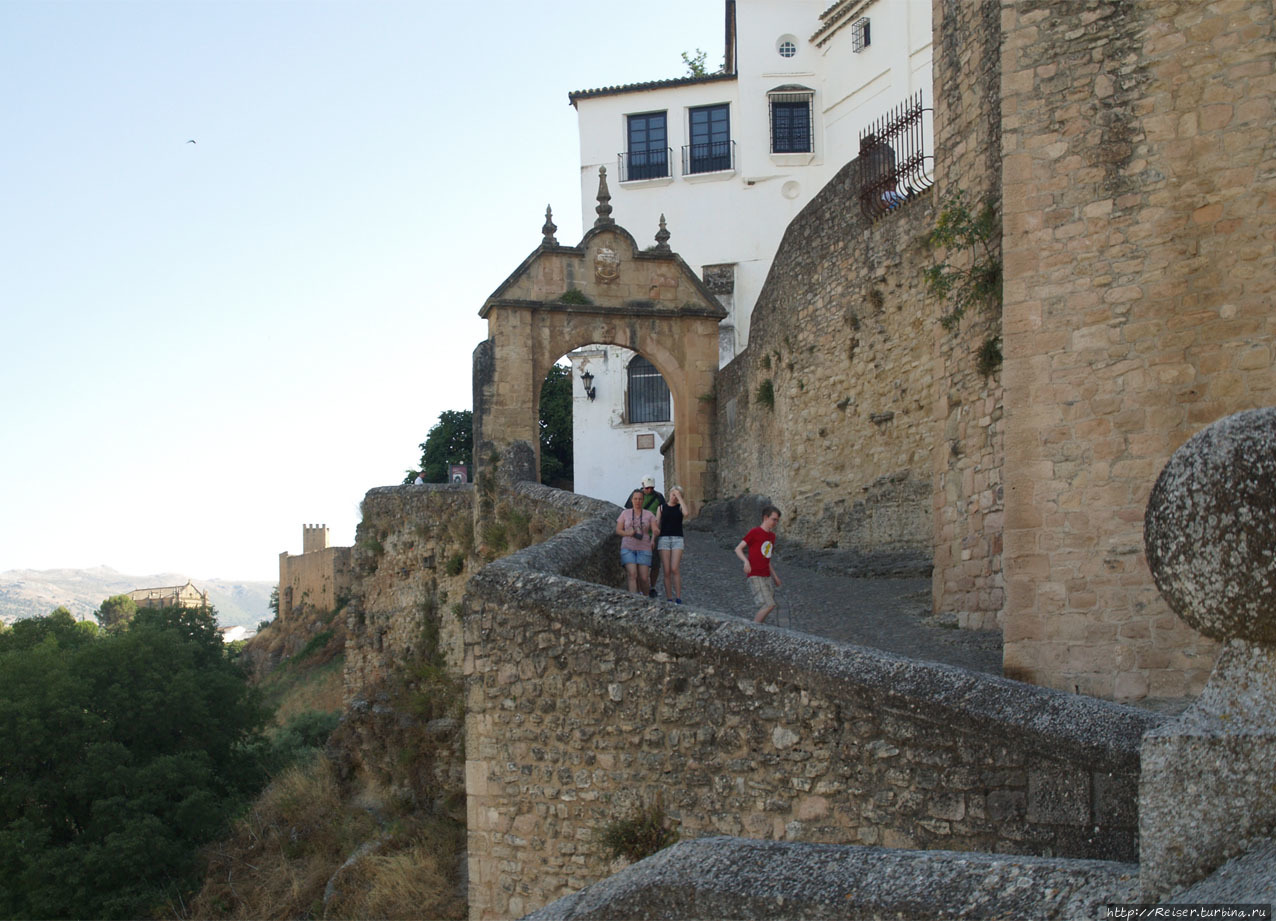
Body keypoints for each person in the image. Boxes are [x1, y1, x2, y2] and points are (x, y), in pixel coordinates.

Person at [735, 505, 782, 623]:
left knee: (768, 605)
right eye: (774, 519)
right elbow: (738, 549)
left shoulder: (772, 536)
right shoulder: (754, 532)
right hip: (755, 574)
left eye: (777, 520)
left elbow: (767, 558)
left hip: (766, 576)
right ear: (765, 518)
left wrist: (775, 576)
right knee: (768, 605)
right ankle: (753, 628)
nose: (776, 522)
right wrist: (746, 562)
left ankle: (758, 628)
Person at [616, 488, 659, 595]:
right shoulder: (625, 513)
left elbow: (655, 528)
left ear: (643, 500)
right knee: (632, 575)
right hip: (628, 547)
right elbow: (618, 530)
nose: (637, 501)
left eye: (640, 499)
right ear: (631, 500)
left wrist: (655, 532)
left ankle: (646, 599)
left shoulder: (649, 514)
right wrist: (627, 533)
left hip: (644, 548)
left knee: (644, 578)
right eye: (635, 499)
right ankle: (634, 600)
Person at [656, 485, 694, 604]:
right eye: (673, 494)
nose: (674, 497)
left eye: (677, 495)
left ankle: (678, 597)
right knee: (666, 570)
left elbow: (686, 513)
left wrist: (680, 498)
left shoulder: (680, 508)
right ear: (669, 494)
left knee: (674, 568)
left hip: (677, 539)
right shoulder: (661, 508)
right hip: (664, 539)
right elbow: (657, 524)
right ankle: (669, 597)